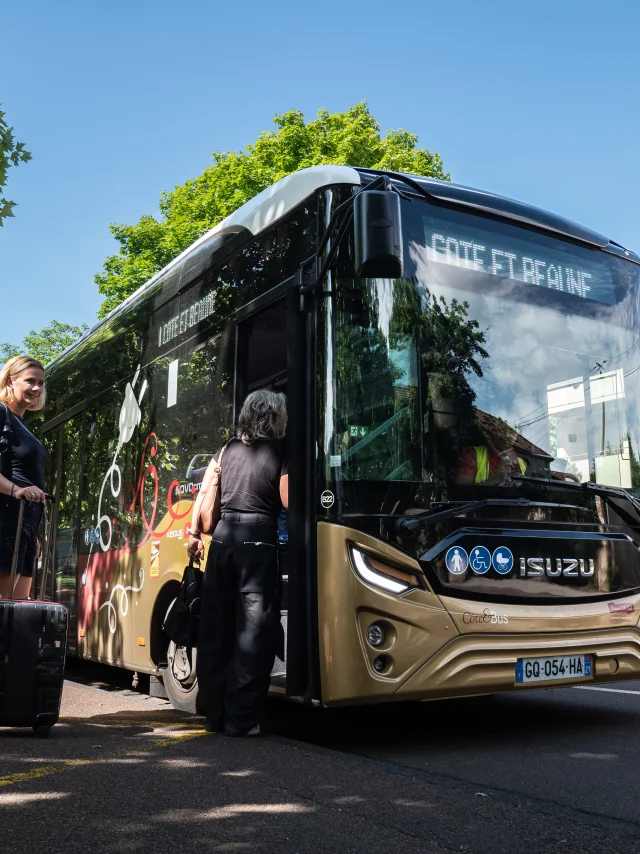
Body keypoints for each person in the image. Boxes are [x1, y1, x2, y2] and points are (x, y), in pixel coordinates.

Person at [188, 389, 288, 737]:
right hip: (258, 542)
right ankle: (242, 719)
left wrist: (193, 535)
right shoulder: (280, 451)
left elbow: (206, 494)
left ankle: (213, 711)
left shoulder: (227, 449)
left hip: (222, 540)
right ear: (276, 416)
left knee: (217, 627)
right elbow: (289, 501)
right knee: (253, 631)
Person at [0, 356, 48, 599]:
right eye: (30, 381)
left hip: (24, 528)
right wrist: (15, 490)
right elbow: (18, 480)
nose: (37, 388)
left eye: (40, 383)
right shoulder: (1, 414)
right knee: (5, 610)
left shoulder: (22, 424)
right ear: (11, 380)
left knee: (17, 619)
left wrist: (32, 534)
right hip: (6, 523)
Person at [455, 435, 526, 486]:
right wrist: (494, 479)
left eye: (511, 431)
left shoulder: (520, 463)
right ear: (492, 432)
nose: (506, 435)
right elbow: (460, 493)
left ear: (515, 436)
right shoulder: (472, 455)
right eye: (501, 430)